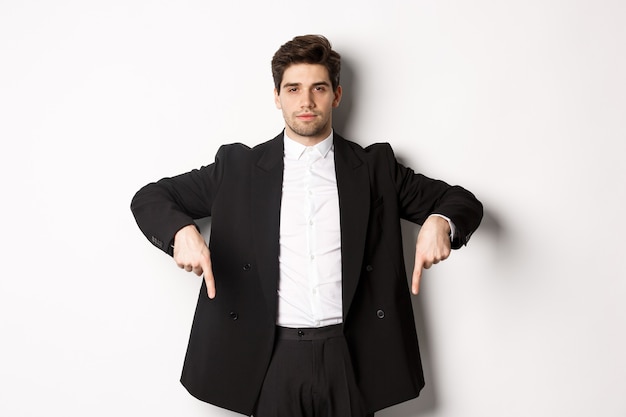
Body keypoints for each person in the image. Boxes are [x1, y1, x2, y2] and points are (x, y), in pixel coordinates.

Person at [131, 34, 483, 417]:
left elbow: (463, 202)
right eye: (293, 88)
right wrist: (181, 233)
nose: (306, 101)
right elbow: (150, 198)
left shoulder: (374, 168)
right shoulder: (238, 169)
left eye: (318, 87)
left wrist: (439, 221)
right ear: (277, 96)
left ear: (336, 95)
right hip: (269, 358)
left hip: (350, 357)